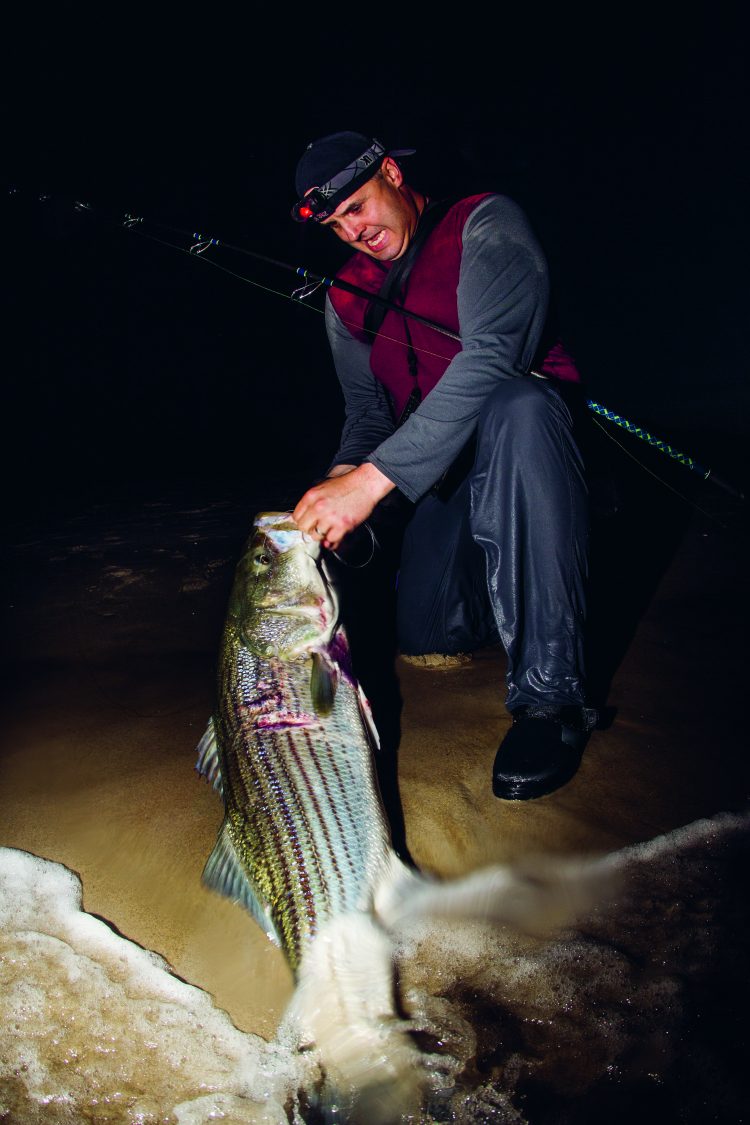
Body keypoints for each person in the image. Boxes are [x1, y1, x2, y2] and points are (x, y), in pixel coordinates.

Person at [290, 131, 598, 800]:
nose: (354, 231)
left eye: (359, 206)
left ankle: (553, 701)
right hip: (439, 473)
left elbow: (494, 357)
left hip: (529, 446)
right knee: (426, 637)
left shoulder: (485, 224)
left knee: (519, 404)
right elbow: (368, 416)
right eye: (337, 223)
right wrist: (345, 480)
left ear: (393, 173)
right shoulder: (343, 298)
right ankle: (527, 587)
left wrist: (374, 482)